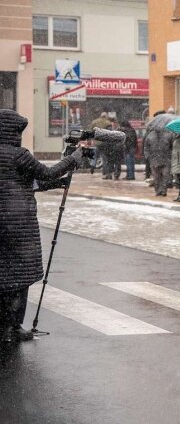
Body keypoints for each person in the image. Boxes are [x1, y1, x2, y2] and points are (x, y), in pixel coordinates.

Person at [0, 109, 82, 342]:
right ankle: (12, 328)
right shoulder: (19, 154)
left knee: (3, 276)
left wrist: (56, 184)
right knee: (20, 276)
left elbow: (24, 181)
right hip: (18, 225)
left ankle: (2, 328)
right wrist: (72, 159)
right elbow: (45, 173)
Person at [144, 125, 173, 197]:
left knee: (165, 176)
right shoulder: (150, 136)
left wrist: (170, 156)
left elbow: (172, 147)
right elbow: (146, 147)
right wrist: (148, 156)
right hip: (154, 160)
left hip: (165, 159)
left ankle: (163, 190)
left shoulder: (168, 135)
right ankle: (158, 190)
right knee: (156, 177)